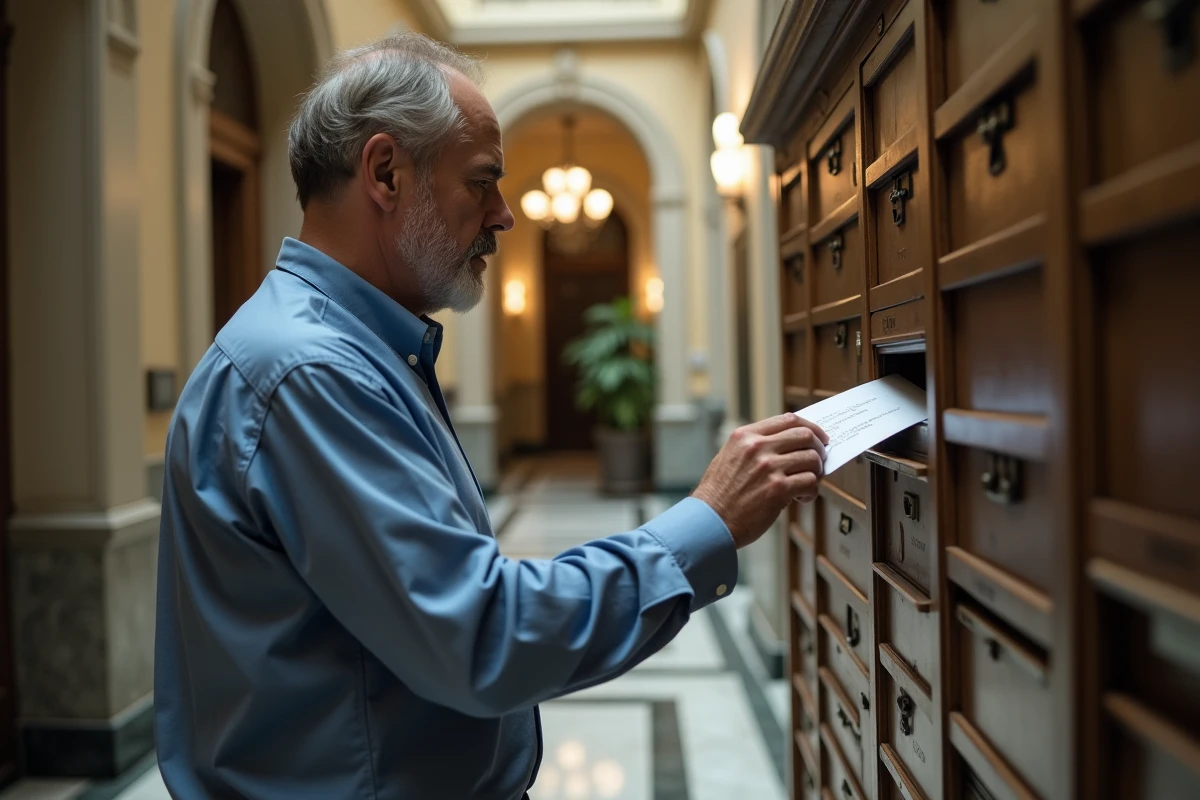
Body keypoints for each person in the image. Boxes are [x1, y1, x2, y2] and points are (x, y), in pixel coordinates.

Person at [154, 32, 828, 799]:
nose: (505, 217)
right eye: (483, 183)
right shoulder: (312, 372)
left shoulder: (349, 350)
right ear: (385, 173)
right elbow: (482, 636)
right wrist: (707, 521)